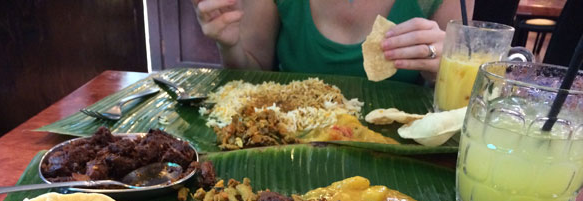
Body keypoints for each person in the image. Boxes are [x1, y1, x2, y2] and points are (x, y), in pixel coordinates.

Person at [191, 0, 474, 84]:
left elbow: (460, 102)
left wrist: (445, 69)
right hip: (290, 153)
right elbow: (248, 75)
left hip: (402, 164)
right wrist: (229, 44)